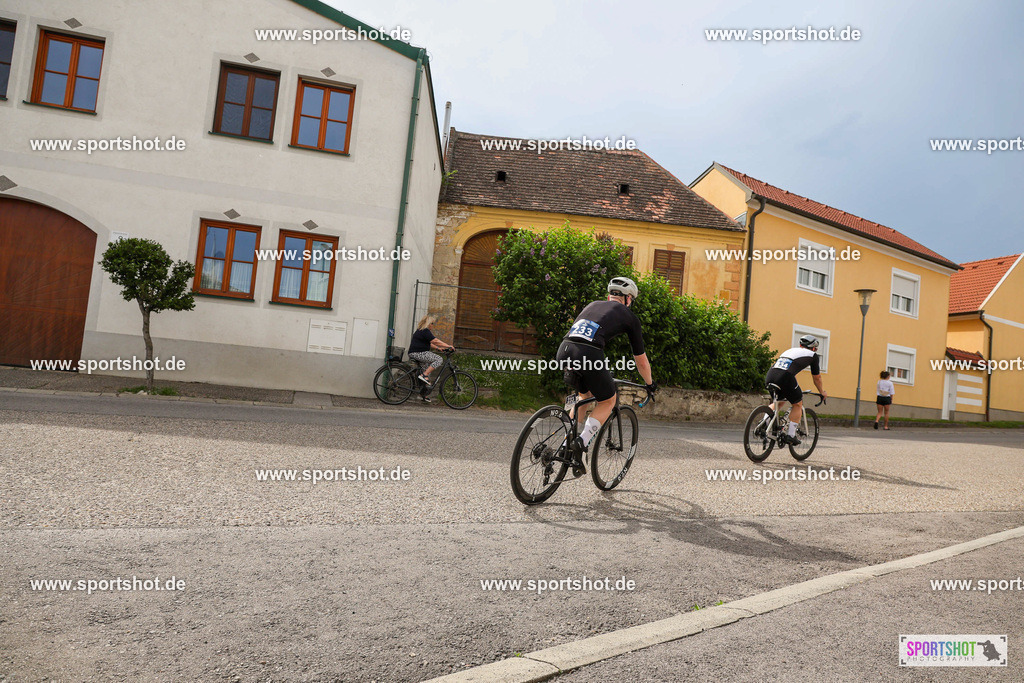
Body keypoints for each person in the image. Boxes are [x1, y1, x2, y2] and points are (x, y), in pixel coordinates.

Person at [556, 276, 656, 477]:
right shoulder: (629, 316)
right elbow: (641, 361)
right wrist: (650, 384)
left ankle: (566, 444)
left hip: (564, 350)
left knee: (584, 396)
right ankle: (581, 443)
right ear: (628, 299)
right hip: (588, 353)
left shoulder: (592, 305)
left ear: (609, 295)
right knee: (608, 400)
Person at [764, 335, 827, 445]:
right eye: (815, 348)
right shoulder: (813, 355)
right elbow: (817, 378)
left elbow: (787, 369)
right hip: (785, 377)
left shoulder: (791, 351)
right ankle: (791, 435)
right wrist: (822, 392)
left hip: (770, 375)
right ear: (813, 348)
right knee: (797, 404)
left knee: (778, 402)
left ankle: (764, 424)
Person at [408, 315, 454, 403]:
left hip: (416, 353)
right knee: (439, 359)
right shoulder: (425, 331)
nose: (433, 325)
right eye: (432, 323)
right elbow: (435, 341)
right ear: (428, 323)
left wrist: (438, 348)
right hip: (418, 353)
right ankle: (424, 375)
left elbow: (429, 343)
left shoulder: (421, 330)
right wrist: (448, 346)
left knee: (426, 371)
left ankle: (423, 395)